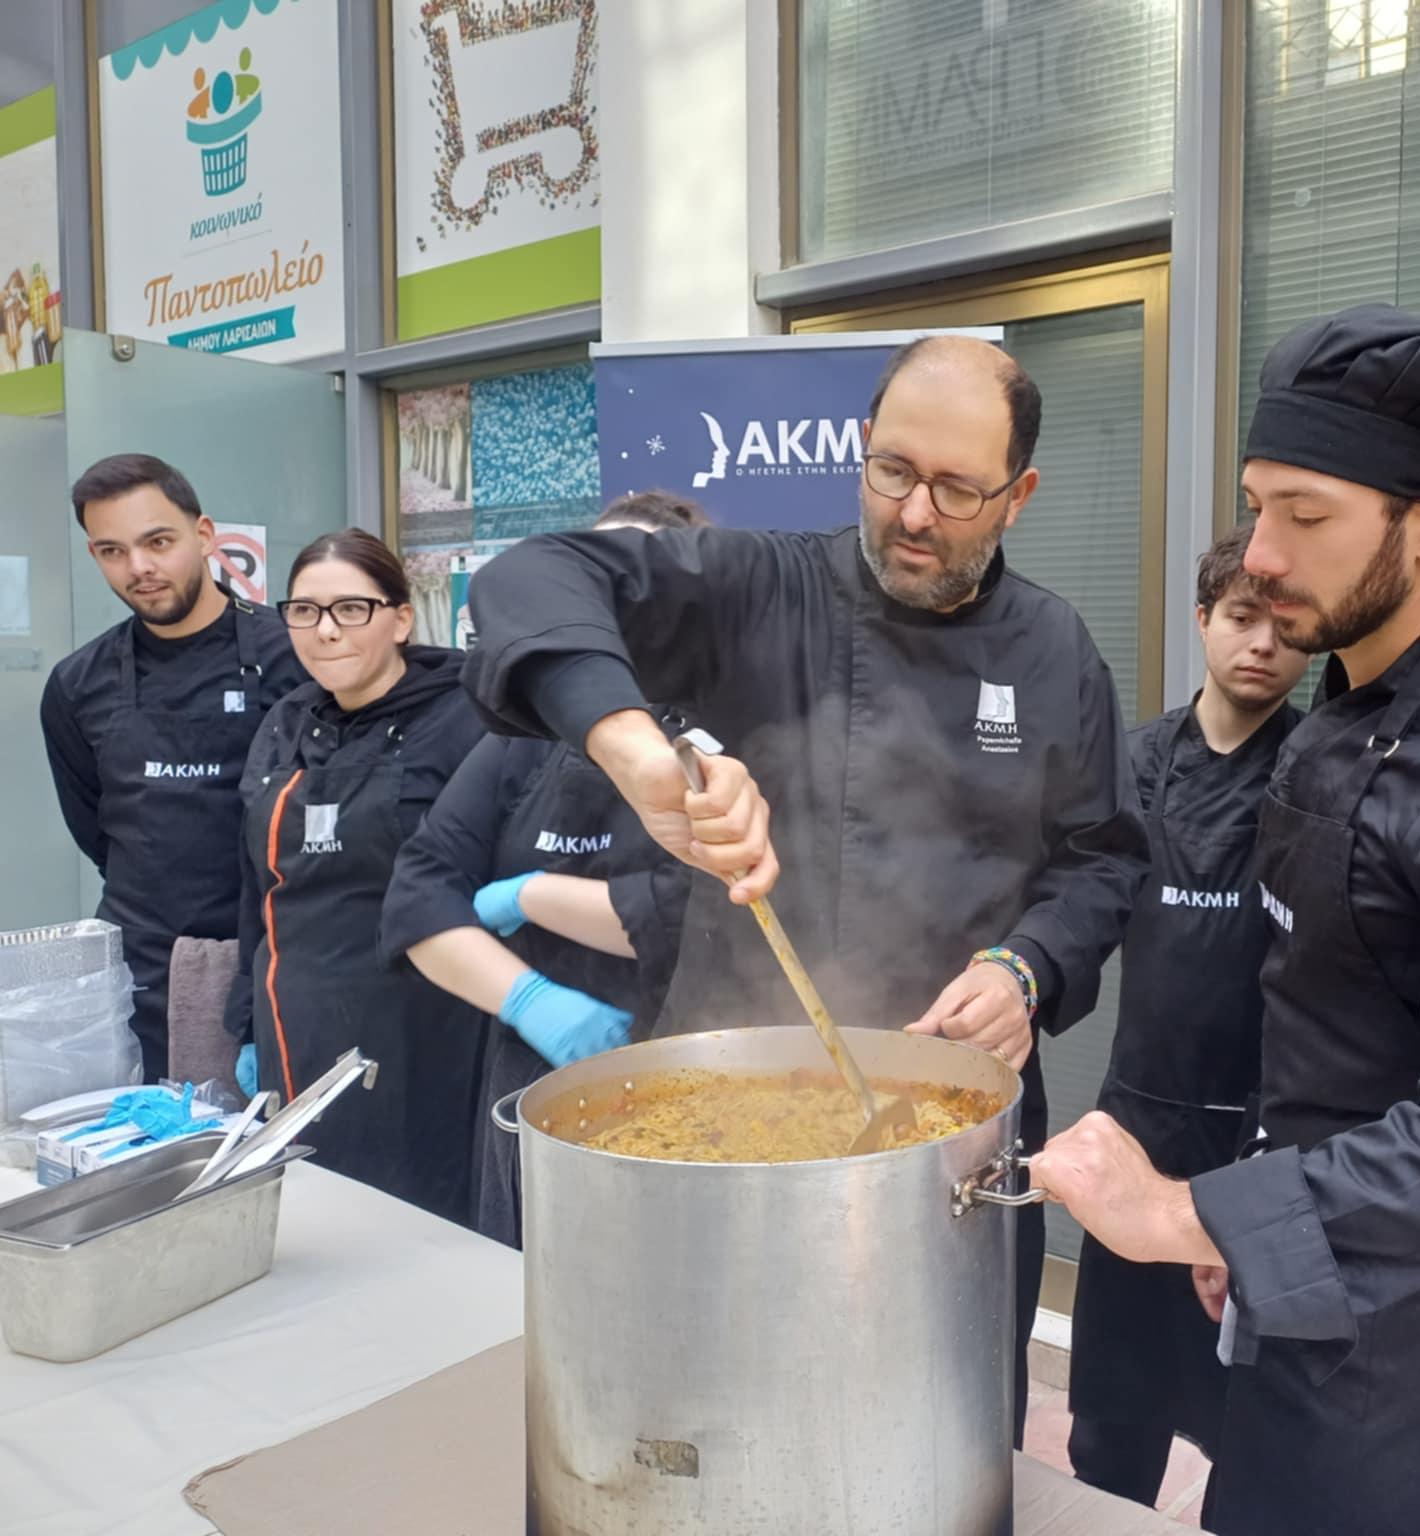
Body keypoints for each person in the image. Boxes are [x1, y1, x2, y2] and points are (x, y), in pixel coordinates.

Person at [460, 335, 1148, 1442]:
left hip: (951, 1133)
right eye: (892, 471)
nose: (914, 515)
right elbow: (530, 581)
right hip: (730, 1107)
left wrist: (1029, 966)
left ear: (1018, 496)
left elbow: (1104, 860)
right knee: (716, 1420)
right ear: (861, 452)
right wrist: (638, 753)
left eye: (957, 489)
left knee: (941, 1430)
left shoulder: (1055, 652)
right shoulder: (758, 587)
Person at [1031, 304, 1420, 1535]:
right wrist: (1261, 1217)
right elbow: (1327, 1046)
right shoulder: (1337, 731)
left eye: (1303, 517)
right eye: (1257, 505)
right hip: (1297, 1324)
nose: (1257, 555)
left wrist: (1189, 1210)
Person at [382, 491, 710, 1246]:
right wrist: (529, 1000)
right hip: (532, 1086)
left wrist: (535, 895)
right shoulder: (524, 734)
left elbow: (705, 916)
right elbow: (422, 890)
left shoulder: (724, 731)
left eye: (636, 574)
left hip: (684, 1074)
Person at [1063, 521, 1308, 1505]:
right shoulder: (1130, 765)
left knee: (1248, 1433)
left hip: (1259, 1145)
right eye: (1242, 618)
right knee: (1108, 1427)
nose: (1261, 645)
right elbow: (1075, 908)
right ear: (1202, 619)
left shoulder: (1317, 774)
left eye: (1286, 629)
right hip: (1134, 1126)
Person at [228, 529, 488, 1224]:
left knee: (423, 1217)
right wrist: (245, 1022)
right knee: (321, 1219)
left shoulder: (469, 718)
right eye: (305, 611)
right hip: (297, 1018)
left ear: (401, 618)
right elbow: (256, 884)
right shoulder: (284, 722)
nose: (325, 631)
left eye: (352, 609)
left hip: (425, 1018)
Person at [40, 454, 306, 1082]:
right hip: (139, 974)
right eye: (112, 550)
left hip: (272, 964)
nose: (139, 568)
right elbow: (96, 831)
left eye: (157, 541)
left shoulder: (295, 659)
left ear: (205, 534)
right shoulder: (77, 684)